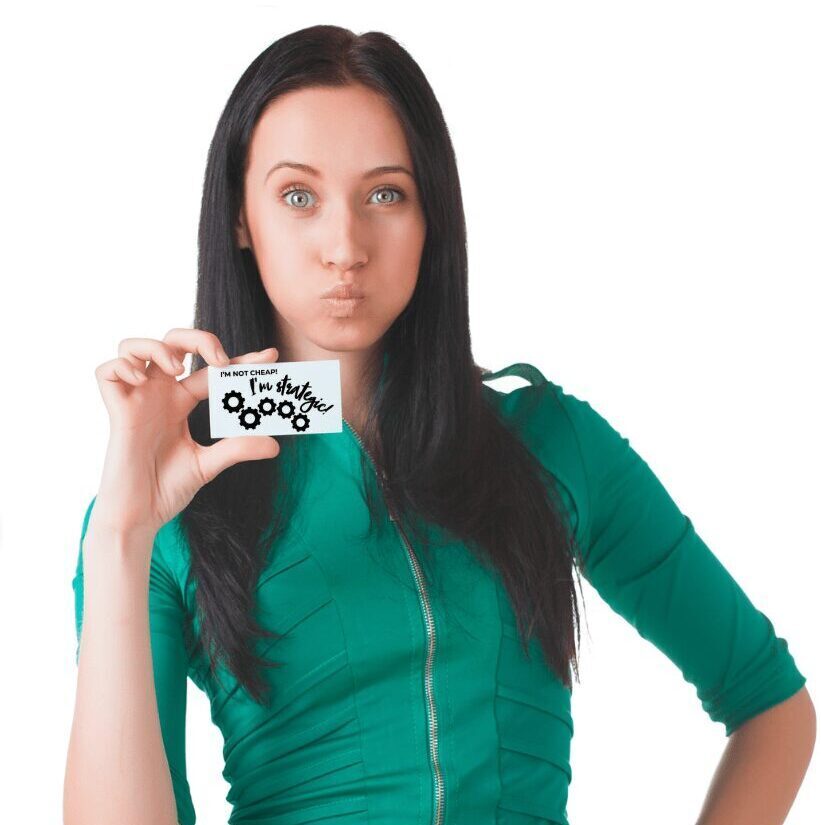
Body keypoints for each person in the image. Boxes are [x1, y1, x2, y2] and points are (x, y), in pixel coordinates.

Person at [63, 24, 815, 825]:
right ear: (240, 217)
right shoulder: (168, 505)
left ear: (432, 216)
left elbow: (772, 707)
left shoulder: (548, 442)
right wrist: (119, 531)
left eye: (385, 193)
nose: (343, 246)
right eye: (297, 196)